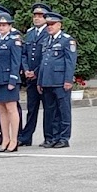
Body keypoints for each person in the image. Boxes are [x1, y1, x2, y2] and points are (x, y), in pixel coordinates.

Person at [37, 11, 77, 149]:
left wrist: (68, 80)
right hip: (47, 81)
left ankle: (64, 138)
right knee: (50, 111)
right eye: (48, 24)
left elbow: (70, 62)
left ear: (59, 25)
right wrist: (40, 81)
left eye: (52, 24)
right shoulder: (46, 40)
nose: (49, 27)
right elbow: (43, 63)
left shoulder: (67, 40)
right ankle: (52, 137)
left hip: (60, 81)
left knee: (63, 110)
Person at [18, 3, 51, 147]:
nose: (37, 19)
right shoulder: (30, 33)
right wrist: (26, 70)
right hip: (30, 77)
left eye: (40, 16)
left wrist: (36, 72)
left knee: (48, 108)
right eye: (35, 16)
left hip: (42, 77)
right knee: (31, 109)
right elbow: (24, 53)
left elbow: (46, 57)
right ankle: (26, 137)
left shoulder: (48, 33)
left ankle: (49, 136)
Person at [0, 12, 23, 152]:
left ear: (10, 26)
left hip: (9, 79)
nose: (1, 27)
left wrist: (13, 79)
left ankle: (14, 140)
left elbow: (16, 61)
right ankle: (5, 138)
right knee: (2, 111)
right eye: (0, 25)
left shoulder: (14, 40)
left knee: (11, 109)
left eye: (4, 25)